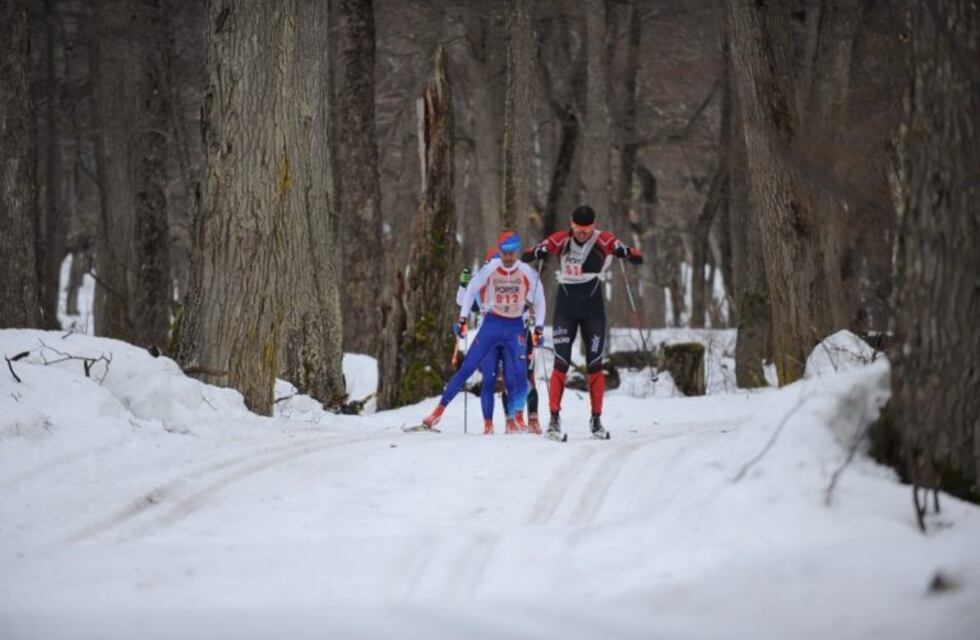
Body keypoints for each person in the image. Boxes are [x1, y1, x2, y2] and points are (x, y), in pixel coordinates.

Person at [521, 205, 643, 439]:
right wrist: (538, 252)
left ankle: (596, 419)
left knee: (595, 363)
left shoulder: (604, 239)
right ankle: (554, 418)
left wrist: (625, 252)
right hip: (565, 308)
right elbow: (528, 254)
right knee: (561, 362)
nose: (582, 235)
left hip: (593, 309)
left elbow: (636, 256)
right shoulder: (562, 240)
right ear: (572, 224)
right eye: (578, 230)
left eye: (586, 231)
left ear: (593, 226)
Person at [421, 231, 546, 434]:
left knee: (519, 373)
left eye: (510, 254)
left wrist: (538, 327)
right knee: (470, 370)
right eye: (502, 254)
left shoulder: (526, 272)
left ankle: (517, 418)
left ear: (516, 252)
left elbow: (540, 300)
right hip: (491, 326)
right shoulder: (489, 270)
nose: (506, 258)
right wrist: (462, 320)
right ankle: (439, 412)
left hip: (515, 328)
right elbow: (469, 293)